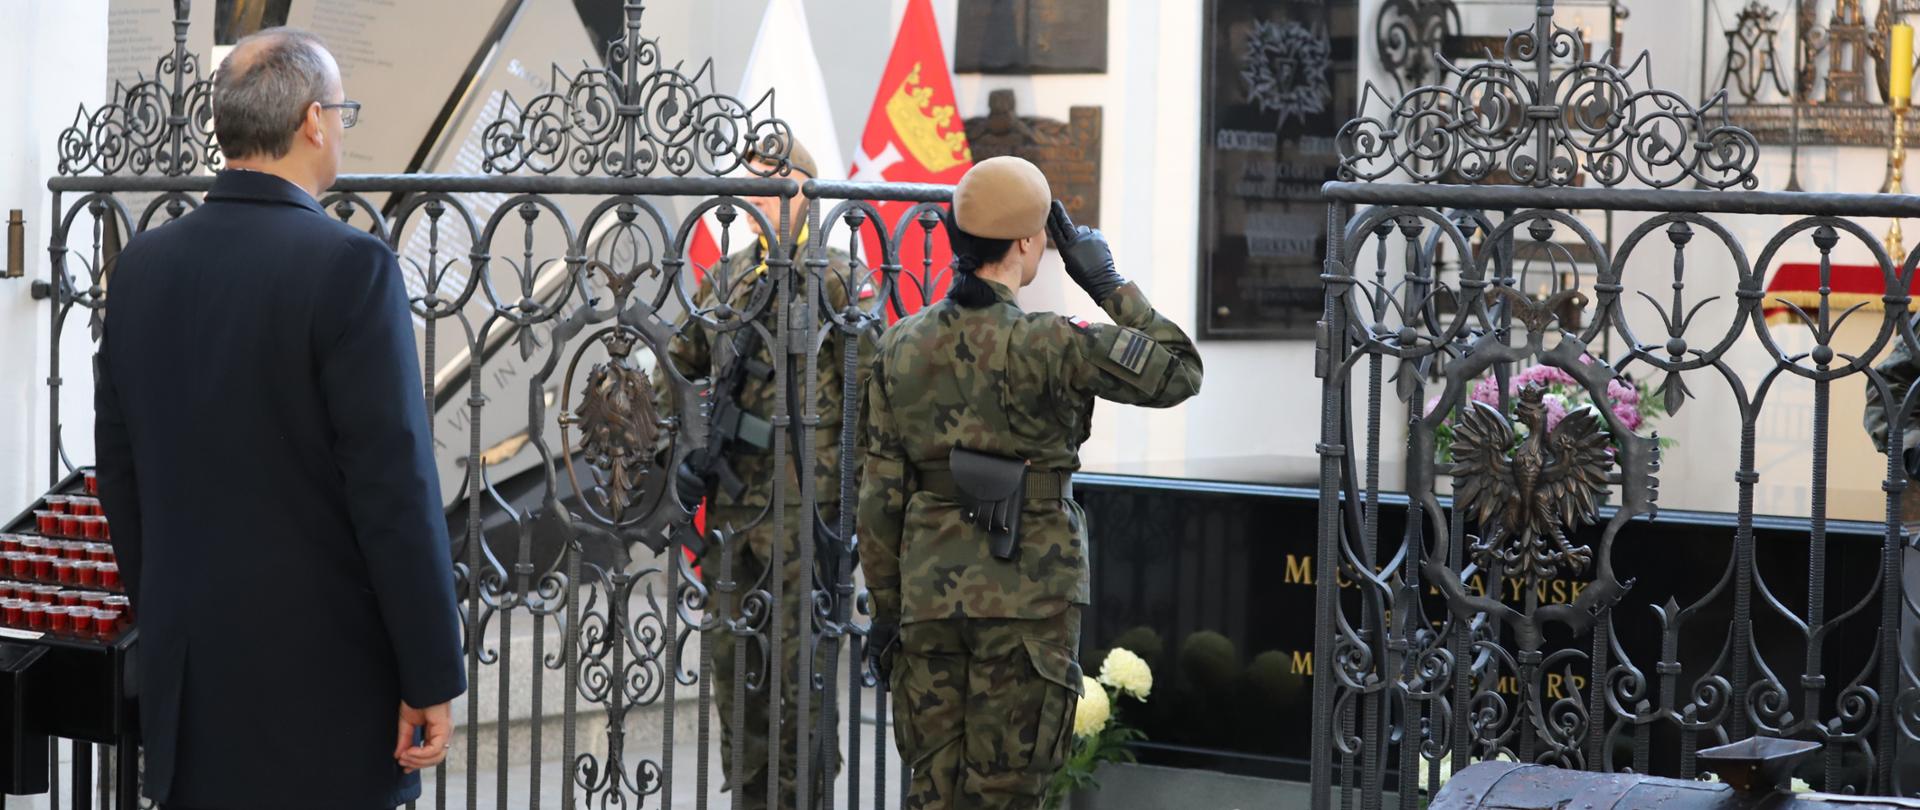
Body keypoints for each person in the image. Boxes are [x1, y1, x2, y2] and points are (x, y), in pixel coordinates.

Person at [93, 29, 466, 809]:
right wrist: (430, 672)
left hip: (190, 685)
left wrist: (166, 611)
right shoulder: (348, 268)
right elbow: (393, 488)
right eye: (343, 111)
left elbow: (119, 474)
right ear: (313, 121)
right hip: (326, 696)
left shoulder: (142, 270)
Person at [857, 156, 1203, 809]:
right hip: (1027, 605)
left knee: (932, 794)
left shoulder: (899, 345)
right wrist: (1106, 280)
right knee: (1009, 794)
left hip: (929, 599)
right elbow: (1179, 370)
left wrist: (886, 608)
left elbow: (879, 493)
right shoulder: (1054, 343)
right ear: (1025, 242)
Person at [656, 134, 870, 809]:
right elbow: (675, 366)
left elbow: (872, 396)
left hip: (806, 517)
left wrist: (854, 507)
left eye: (775, 178)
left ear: (807, 186)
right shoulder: (724, 279)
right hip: (731, 514)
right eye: (752, 179)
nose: (759, 191)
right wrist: (684, 450)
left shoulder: (838, 278)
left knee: (802, 681)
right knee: (734, 670)